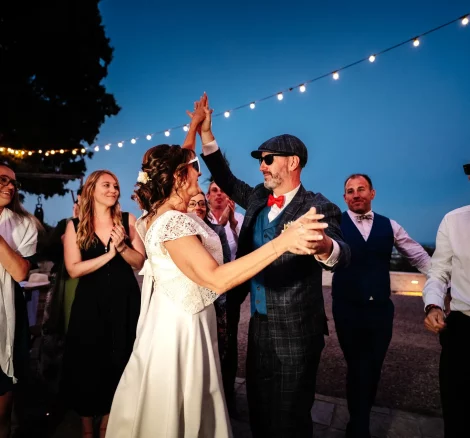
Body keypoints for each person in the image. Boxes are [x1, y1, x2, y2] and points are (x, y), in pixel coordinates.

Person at [105, 104, 327, 438]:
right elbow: (216, 278)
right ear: (179, 177)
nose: (198, 172)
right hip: (182, 328)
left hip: (190, 318)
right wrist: (284, 241)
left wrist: (197, 128)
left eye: (268, 159)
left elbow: (181, 160)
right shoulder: (174, 221)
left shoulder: (157, 211)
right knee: (181, 407)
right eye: (192, 169)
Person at [192, 94, 350, 438]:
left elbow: (342, 252)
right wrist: (206, 134)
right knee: (259, 410)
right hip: (259, 325)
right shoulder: (257, 199)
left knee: (290, 417)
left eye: (268, 159)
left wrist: (323, 246)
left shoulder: (318, 205)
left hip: (298, 330)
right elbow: (225, 177)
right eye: (260, 161)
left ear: (292, 162)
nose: (261, 166)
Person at [332, 173, 431, 438]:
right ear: (344, 198)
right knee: (357, 366)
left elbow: (419, 256)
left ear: (372, 193)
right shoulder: (335, 224)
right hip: (347, 309)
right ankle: (359, 427)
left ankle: (359, 418)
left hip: (380, 311)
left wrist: (443, 283)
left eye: (361, 189)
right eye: (350, 191)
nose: (356, 194)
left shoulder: (390, 225)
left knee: (374, 367)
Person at [62, 170, 145, 438]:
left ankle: (108, 423)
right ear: (91, 190)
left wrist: (122, 249)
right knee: (87, 361)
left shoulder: (127, 220)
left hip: (124, 301)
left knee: (120, 358)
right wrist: (109, 255)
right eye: (106, 185)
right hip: (90, 304)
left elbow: (140, 262)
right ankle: (87, 428)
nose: (113, 190)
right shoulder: (75, 225)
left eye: (116, 186)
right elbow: (74, 269)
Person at [422, 164, 470, 438]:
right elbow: (439, 271)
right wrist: (433, 305)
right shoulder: (454, 221)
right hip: (463, 330)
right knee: (456, 414)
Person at [0, 164, 38, 438]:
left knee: (2, 408)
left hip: (6, 315)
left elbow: (20, 272)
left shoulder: (24, 225)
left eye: (14, 182)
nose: (11, 187)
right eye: (3, 180)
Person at [206, 181, 244, 261]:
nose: (219, 193)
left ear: (228, 196)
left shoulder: (239, 218)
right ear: (207, 196)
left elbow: (247, 246)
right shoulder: (203, 218)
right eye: (214, 190)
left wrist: (233, 224)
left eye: (223, 191)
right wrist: (221, 224)